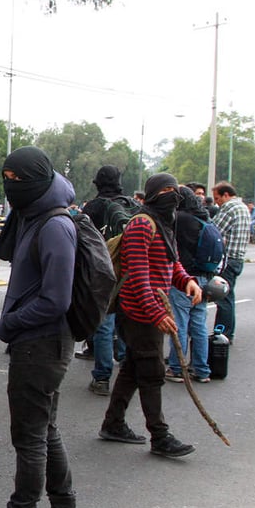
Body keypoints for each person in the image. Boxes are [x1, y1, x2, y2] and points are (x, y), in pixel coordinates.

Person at [0, 146, 81, 508]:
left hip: (41, 344)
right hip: (40, 343)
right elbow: (13, 252)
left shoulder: (54, 226)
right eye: (5, 178)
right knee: (45, 432)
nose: (9, 186)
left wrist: (9, 323)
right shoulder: (35, 215)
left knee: (30, 438)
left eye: (17, 180)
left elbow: (56, 299)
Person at [99, 173, 202, 459]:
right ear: (153, 193)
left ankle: (113, 423)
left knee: (133, 368)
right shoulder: (141, 225)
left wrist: (187, 281)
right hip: (137, 311)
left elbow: (172, 263)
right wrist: (155, 312)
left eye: (174, 189)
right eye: (165, 190)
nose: (171, 194)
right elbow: (138, 276)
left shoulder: (165, 224)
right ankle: (160, 435)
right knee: (153, 371)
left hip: (150, 308)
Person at [81, 165, 139, 395]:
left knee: (104, 323)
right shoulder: (133, 206)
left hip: (103, 271)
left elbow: (84, 240)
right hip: (131, 270)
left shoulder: (94, 207)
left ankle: (102, 378)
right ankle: (125, 366)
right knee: (125, 320)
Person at [164, 187, 215, 383]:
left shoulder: (180, 219)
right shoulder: (204, 217)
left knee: (179, 322)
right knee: (199, 325)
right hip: (204, 277)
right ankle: (202, 369)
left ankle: (176, 367)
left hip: (184, 278)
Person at [211, 181, 250, 342]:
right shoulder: (243, 208)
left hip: (227, 260)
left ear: (226, 195)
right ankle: (228, 332)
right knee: (229, 298)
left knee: (223, 299)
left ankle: (223, 334)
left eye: (217, 198)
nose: (216, 203)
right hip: (238, 258)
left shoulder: (230, 208)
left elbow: (214, 230)